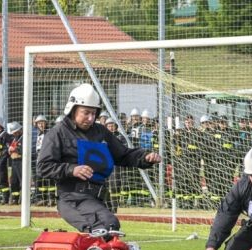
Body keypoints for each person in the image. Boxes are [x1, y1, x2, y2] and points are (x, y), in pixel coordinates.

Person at [36, 83, 161, 232]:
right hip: (72, 198)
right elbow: (42, 167)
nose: (90, 118)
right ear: (73, 109)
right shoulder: (57, 133)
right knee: (106, 227)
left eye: (94, 113)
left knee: (108, 233)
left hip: (99, 197)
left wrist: (145, 157)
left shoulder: (100, 132)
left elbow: (123, 155)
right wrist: (71, 169)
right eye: (86, 113)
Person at [6, 121, 23, 205]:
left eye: (15, 132)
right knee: (13, 181)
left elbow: (24, 150)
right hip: (14, 161)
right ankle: (15, 198)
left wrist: (15, 149)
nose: (14, 134)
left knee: (22, 180)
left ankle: (23, 198)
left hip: (21, 162)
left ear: (19, 130)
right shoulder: (14, 139)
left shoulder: (24, 138)